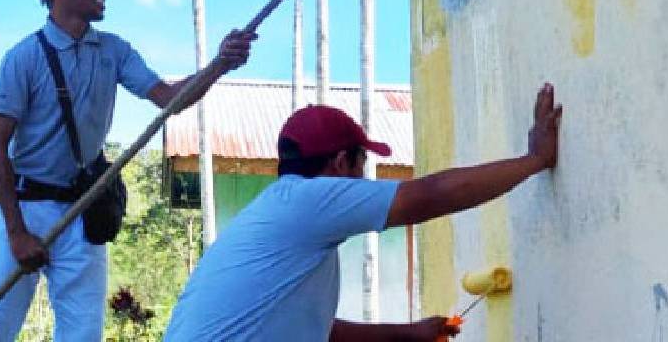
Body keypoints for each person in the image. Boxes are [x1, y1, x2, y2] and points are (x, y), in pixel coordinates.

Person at [0, 0, 255, 341]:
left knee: (83, 336)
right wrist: (16, 232)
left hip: (83, 210)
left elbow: (170, 98)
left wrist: (221, 63)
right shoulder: (24, 58)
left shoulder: (113, 51)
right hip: (24, 206)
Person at [163, 83, 563, 341]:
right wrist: (533, 160)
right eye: (361, 165)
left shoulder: (280, 216)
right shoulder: (310, 200)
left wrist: (408, 335)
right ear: (340, 164)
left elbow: (323, 332)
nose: (363, 178)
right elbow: (430, 195)